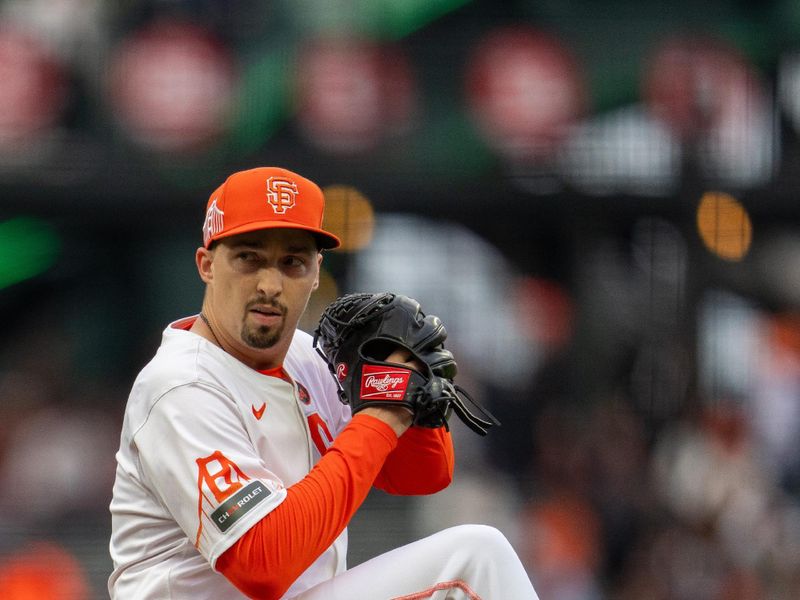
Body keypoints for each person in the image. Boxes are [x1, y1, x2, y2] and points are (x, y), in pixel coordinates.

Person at [108, 166, 538, 599]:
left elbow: (422, 475)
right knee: (477, 557)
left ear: (316, 272)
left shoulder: (308, 357)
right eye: (249, 258)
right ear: (207, 265)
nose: (270, 284)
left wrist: (411, 395)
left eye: (291, 262)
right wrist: (386, 409)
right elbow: (263, 563)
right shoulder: (180, 386)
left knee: (479, 551)